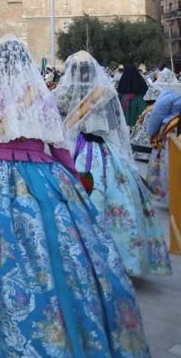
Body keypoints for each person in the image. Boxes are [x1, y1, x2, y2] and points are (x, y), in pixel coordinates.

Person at [0, 36, 148, 357]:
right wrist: (74, 186)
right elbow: (59, 147)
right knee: (54, 252)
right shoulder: (41, 95)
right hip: (44, 178)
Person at [55, 51, 170, 277]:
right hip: (102, 150)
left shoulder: (61, 93)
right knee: (116, 198)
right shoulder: (105, 92)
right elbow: (114, 128)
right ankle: (120, 259)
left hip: (71, 150)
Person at [143, 82, 181, 202]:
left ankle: (168, 194)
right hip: (174, 129)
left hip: (172, 132)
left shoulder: (171, 93)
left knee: (167, 161)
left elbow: (157, 114)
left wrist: (152, 132)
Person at [117, 61, 149, 127]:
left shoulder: (123, 79)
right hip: (139, 105)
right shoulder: (139, 79)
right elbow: (145, 89)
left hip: (125, 104)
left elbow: (119, 90)